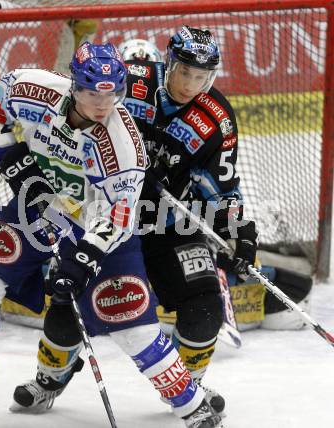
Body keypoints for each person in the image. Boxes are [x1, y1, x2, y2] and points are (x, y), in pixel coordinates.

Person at [0, 42, 222, 428]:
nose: (103, 103)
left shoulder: (123, 144)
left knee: (133, 325)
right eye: (93, 93)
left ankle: (192, 405)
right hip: (38, 206)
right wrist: (15, 164)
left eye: (114, 93)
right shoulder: (32, 88)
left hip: (99, 227)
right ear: (74, 86)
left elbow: (119, 216)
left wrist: (82, 260)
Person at [122, 27, 259, 415]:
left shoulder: (217, 118)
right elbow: (81, 121)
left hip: (170, 225)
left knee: (205, 308)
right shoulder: (131, 81)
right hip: (110, 219)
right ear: (168, 63)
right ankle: (48, 379)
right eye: (184, 73)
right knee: (73, 308)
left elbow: (223, 187)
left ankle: (187, 387)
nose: (191, 85)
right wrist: (128, 169)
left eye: (202, 77)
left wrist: (239, 235)